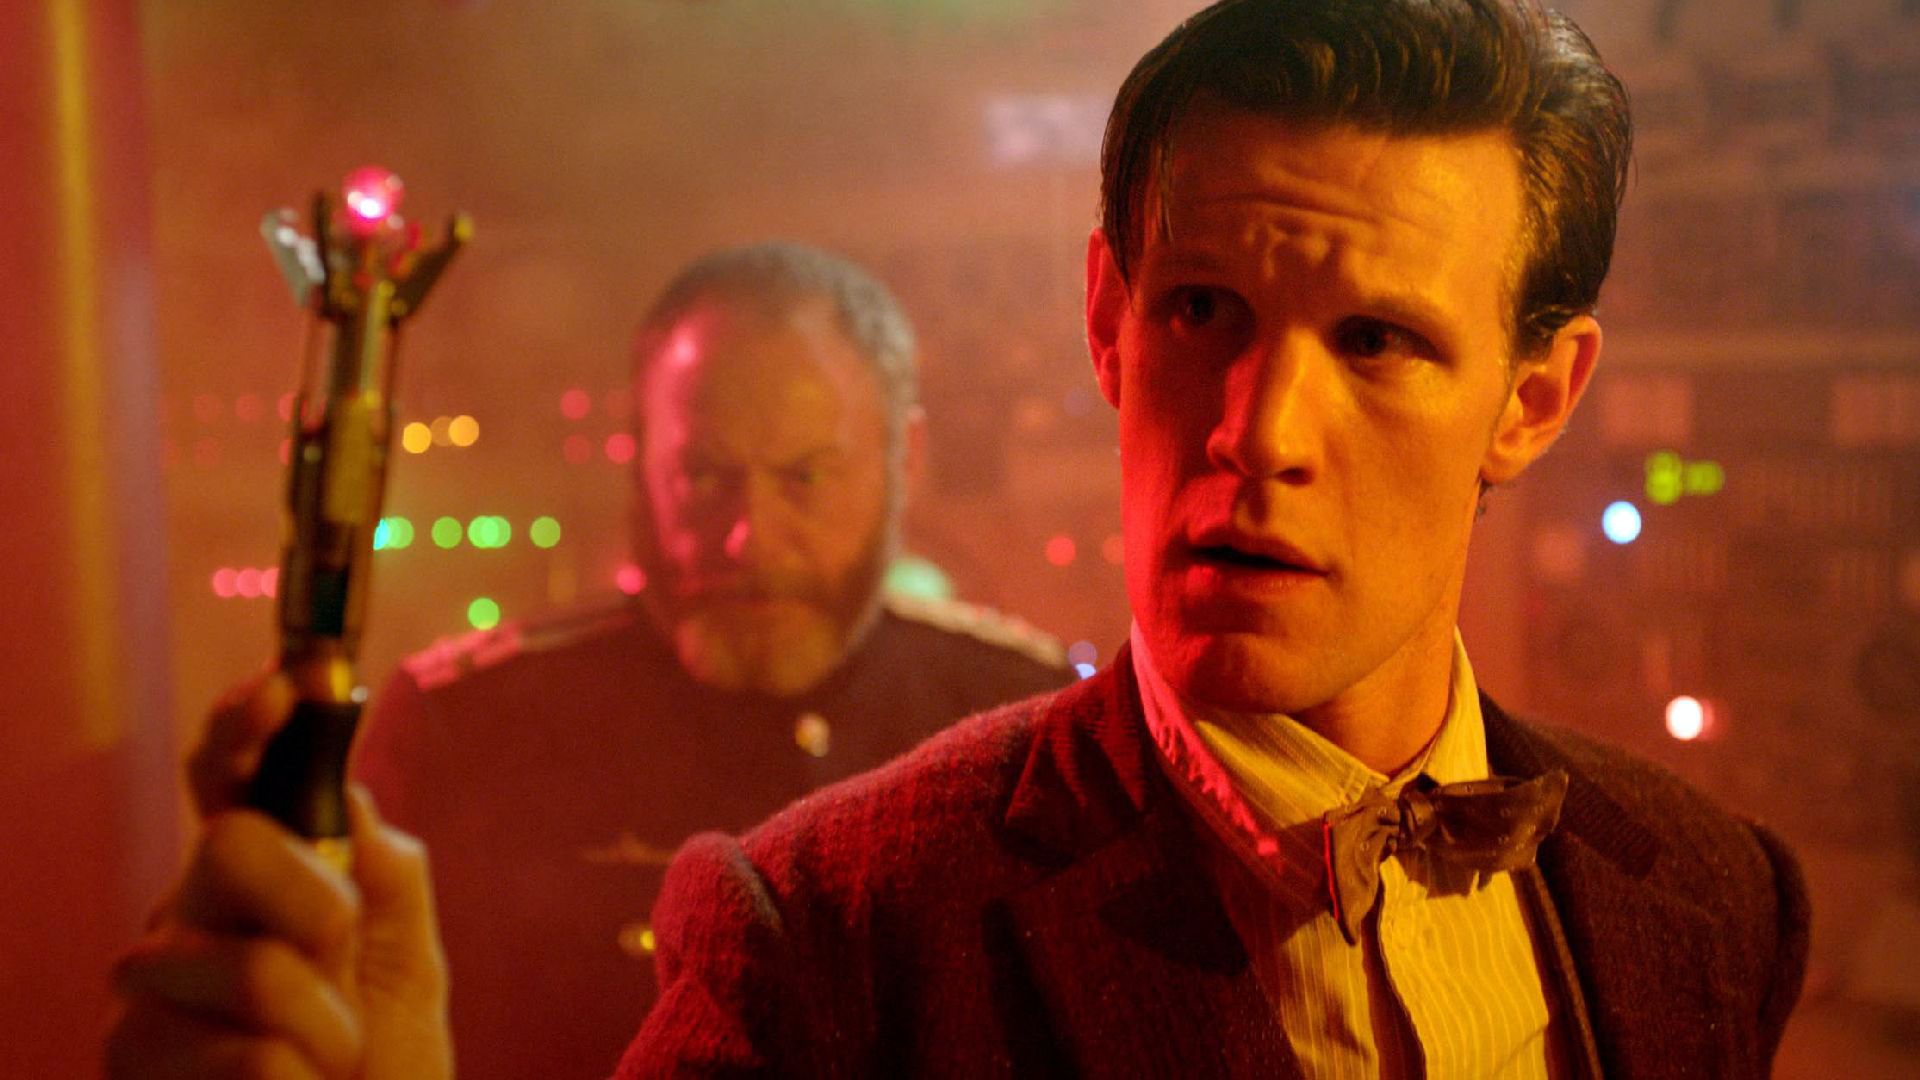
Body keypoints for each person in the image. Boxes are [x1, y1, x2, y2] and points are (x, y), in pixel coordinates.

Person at [109, 3, 1810, 1078]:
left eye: (1376, 342)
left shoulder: (1711, 892)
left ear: (1534, 397)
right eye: (1202, 310)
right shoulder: (828, 933)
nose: (1260, 431)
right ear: (1107, 320)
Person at [113, 242, 1072, 1080]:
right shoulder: (469, 731)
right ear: (638, 460)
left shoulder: (1026, 732)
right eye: (703, 475)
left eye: (805, 476)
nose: (748, 535)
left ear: (905, 459)